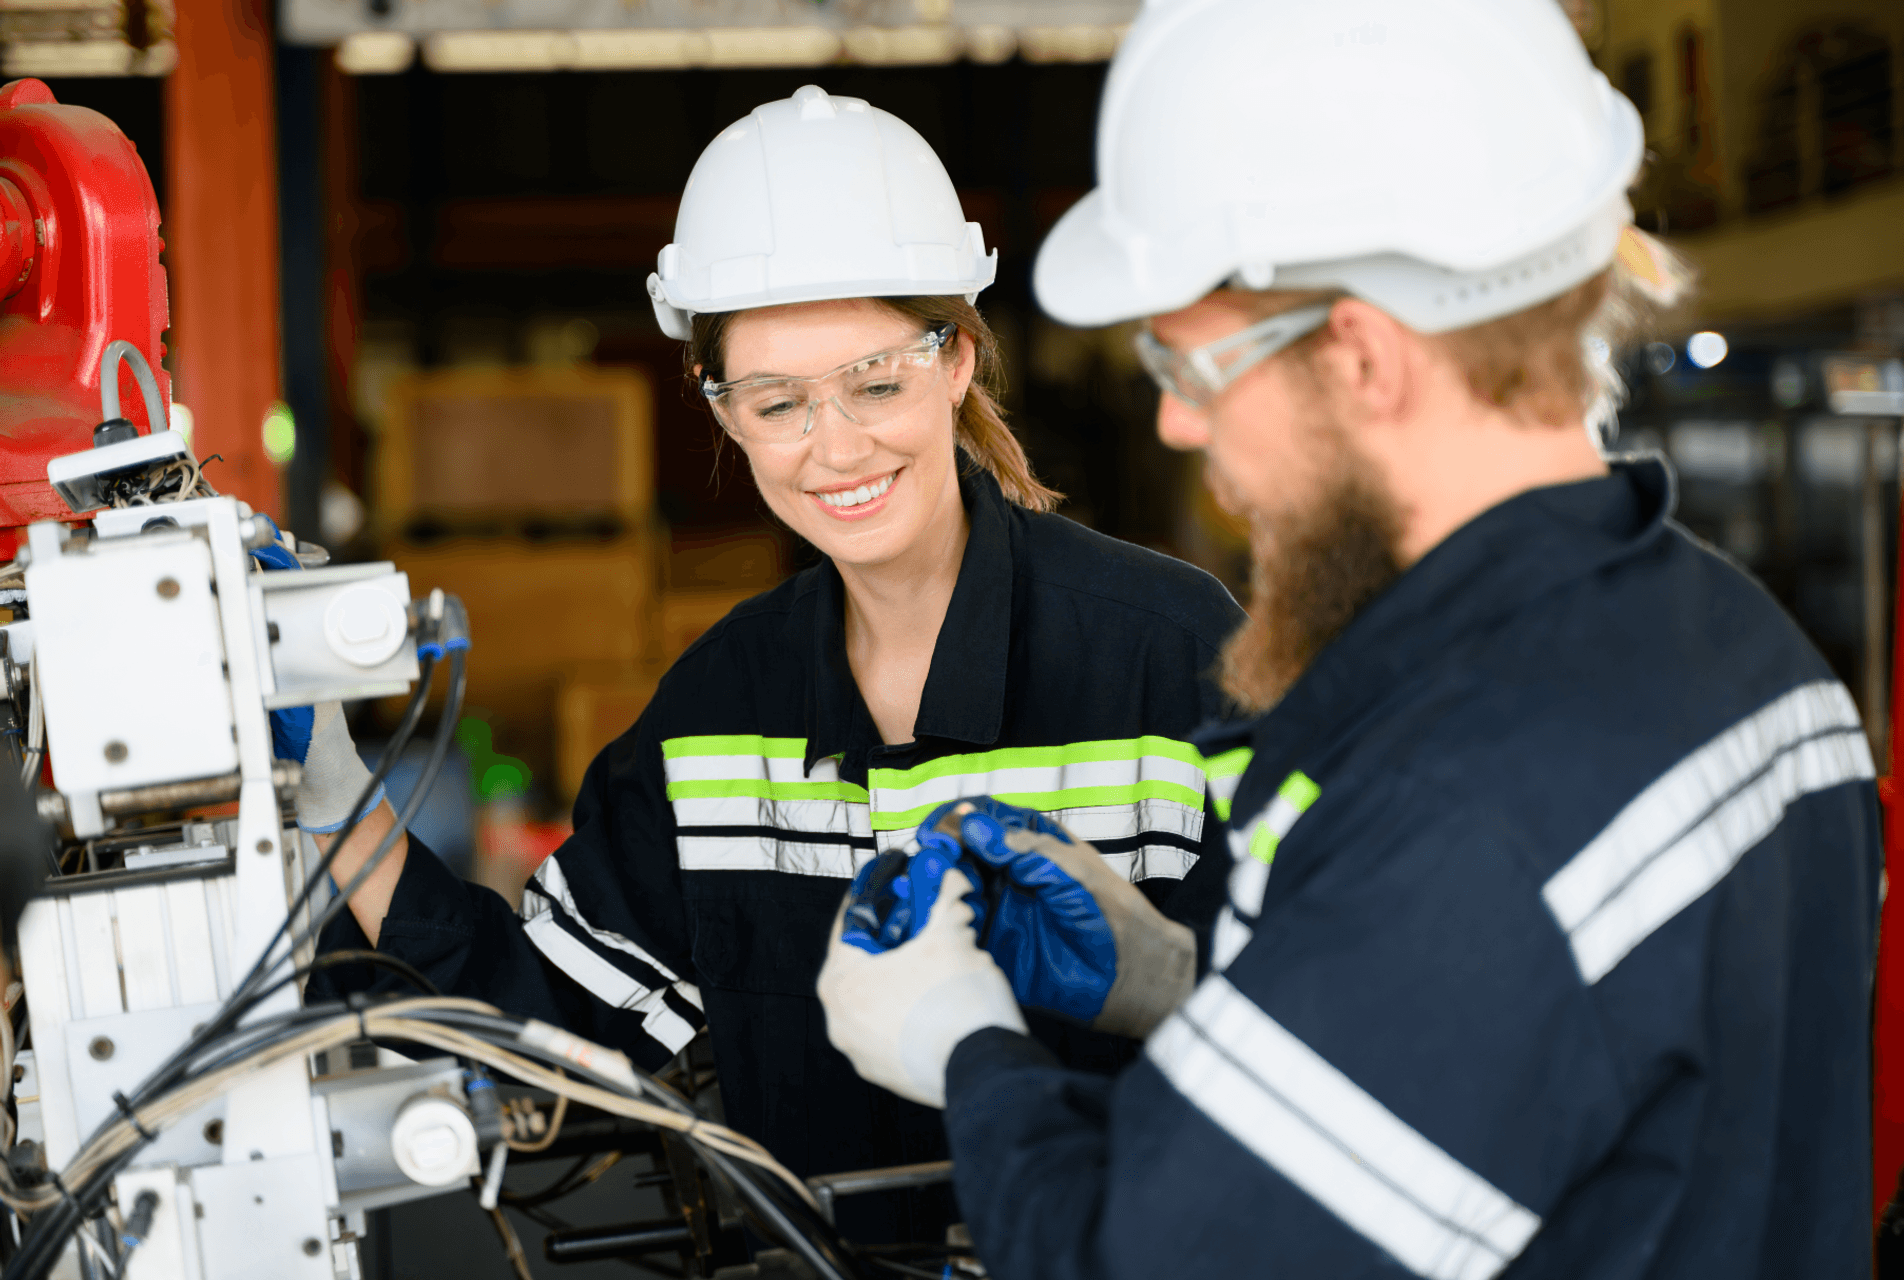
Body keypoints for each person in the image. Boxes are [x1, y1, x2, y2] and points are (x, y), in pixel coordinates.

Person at [816, 2, 1881, 1276]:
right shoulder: (1748, 656)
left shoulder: (1468, 807)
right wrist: (1178, 978)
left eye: (1191, 368)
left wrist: (964, 1046)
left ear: (1363, 359)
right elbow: (1527, 1085)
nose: (1175, 428)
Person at [288, 85, 1244, 1240]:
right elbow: (543, 1028)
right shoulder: (716, 713)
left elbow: (1347, 1027)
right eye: (776, 401)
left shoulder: (1172, 656)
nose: (833, 446)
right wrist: (337, 806)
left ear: (957, 362)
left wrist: (1161, 979)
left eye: (876, 383)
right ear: (723, 412)